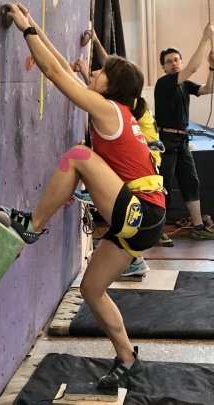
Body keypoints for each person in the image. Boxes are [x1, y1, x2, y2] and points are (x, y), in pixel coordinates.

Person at [4, 3, 166, 388]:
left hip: (141, 212)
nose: (93, 72)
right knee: (92, 289)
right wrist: (34, 25)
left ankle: (33, 225)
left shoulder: (109, 110)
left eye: (101, 72)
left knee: (79, 156)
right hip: (144, 220)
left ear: (112, 86)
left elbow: (54, 73)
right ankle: (127, 357)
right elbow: (62, 65)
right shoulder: (118, 110)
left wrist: (26, 31)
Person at [74, 30, 162, 276]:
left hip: (146, 164)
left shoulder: (127, 105)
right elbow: (111, 75)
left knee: (101, 166)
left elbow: (111, 79)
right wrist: (95, 44)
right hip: (146, 167)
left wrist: (87, 75)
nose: (99, 72)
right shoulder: (128, 101)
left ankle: (135, 258)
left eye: (104, 73)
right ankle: (134, 257)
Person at [155, 25, 214, 243]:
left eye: (176, 60)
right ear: (163, 67)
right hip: (166, 141)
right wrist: (205, 39)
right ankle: (157, 231)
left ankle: (198, 227)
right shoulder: (164, 83)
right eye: (169, 61)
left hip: (182, 141)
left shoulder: (184, 85)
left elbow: (208, 89)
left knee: (191, 182)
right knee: (164, 186)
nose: (174, 63)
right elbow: (192, 67)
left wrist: (211, 67)